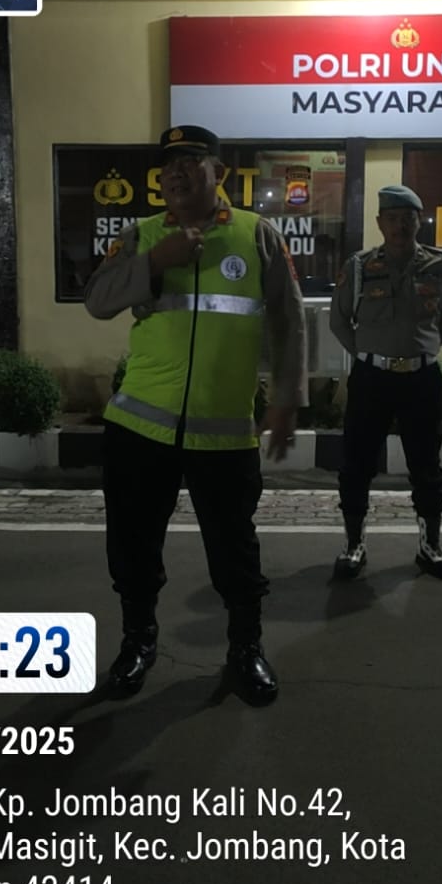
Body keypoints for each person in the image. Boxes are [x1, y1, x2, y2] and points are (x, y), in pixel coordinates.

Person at [84, 125, 307, 703]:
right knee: (133, 546)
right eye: (168, 167)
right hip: (139, 425)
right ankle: (138, 641)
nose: (176, 174)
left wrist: (286, 398)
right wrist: (157, 260)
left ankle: (245, 647)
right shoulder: (141, 235)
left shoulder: (257, 235)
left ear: (219, 174)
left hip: (225, 431)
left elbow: (288, 321)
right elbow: (98, 301)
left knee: (235, 551)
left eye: (190, 162)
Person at [329, 184, 442, 580]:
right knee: (357, 464)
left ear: (419, 221)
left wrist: (424, 349)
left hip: (421, 379)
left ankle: (430, 547)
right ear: (380, 222)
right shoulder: (359, 266)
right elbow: (339, 320)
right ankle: (353, 545)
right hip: (371, 379)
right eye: (392, 219)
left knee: (426, 465)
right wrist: (369, 354)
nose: (400, 226)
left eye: (407, 219)